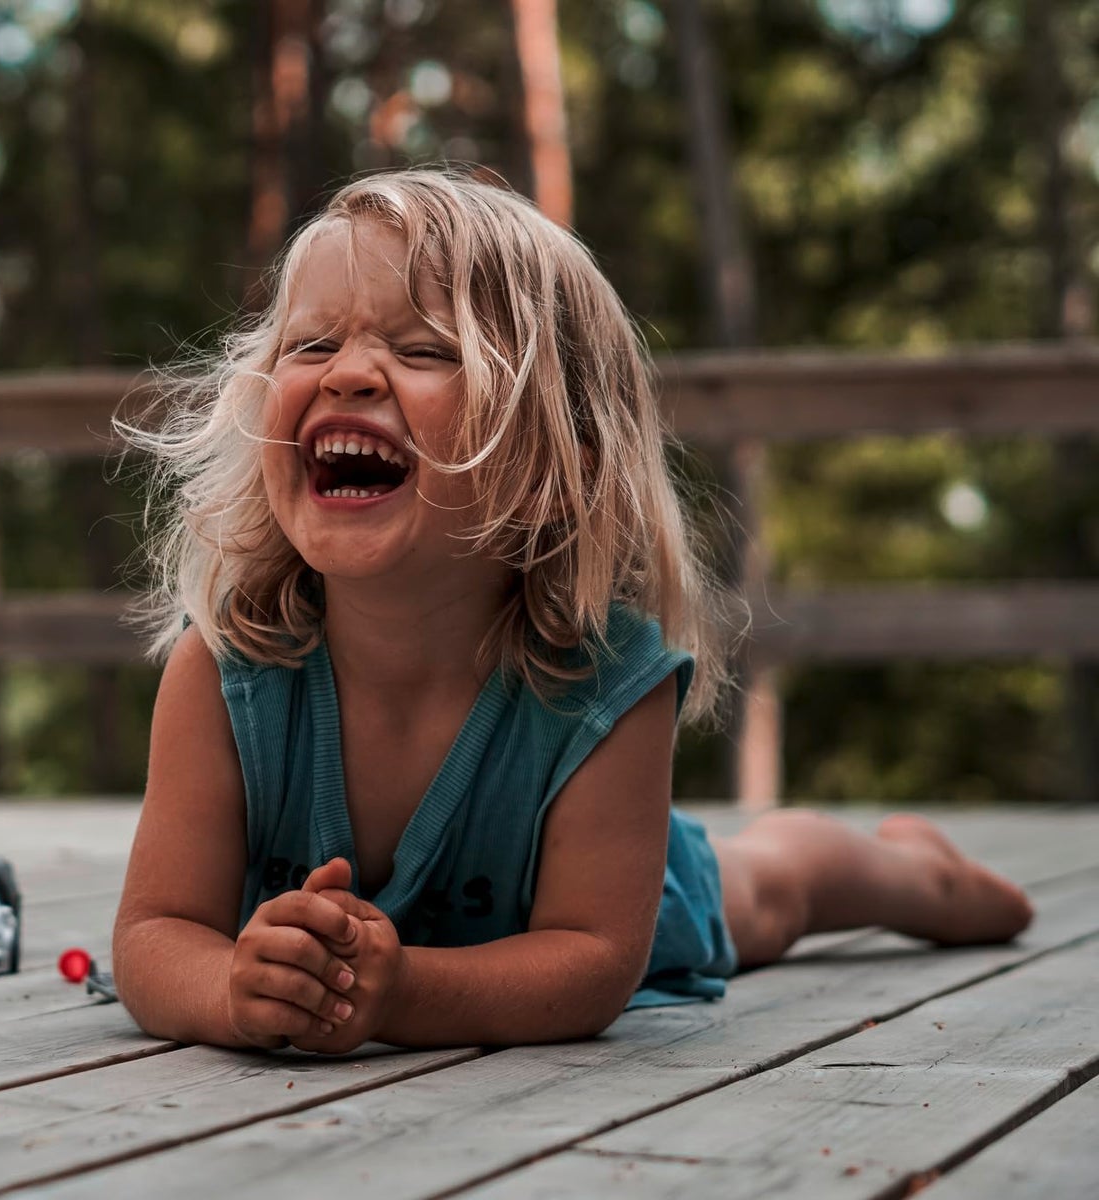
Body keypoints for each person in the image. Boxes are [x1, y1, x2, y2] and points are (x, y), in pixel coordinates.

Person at [110, 167, 1034, 1054]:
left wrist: (404, 993)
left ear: (558, 464)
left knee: (770, 892)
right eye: (311, 346)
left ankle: (922, 874)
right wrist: (230, 991)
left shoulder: (603, 682)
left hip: (611, 895)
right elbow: (156, 934)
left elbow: (592, 964)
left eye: (426, 350)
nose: (348, 374)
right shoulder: (228, 668)